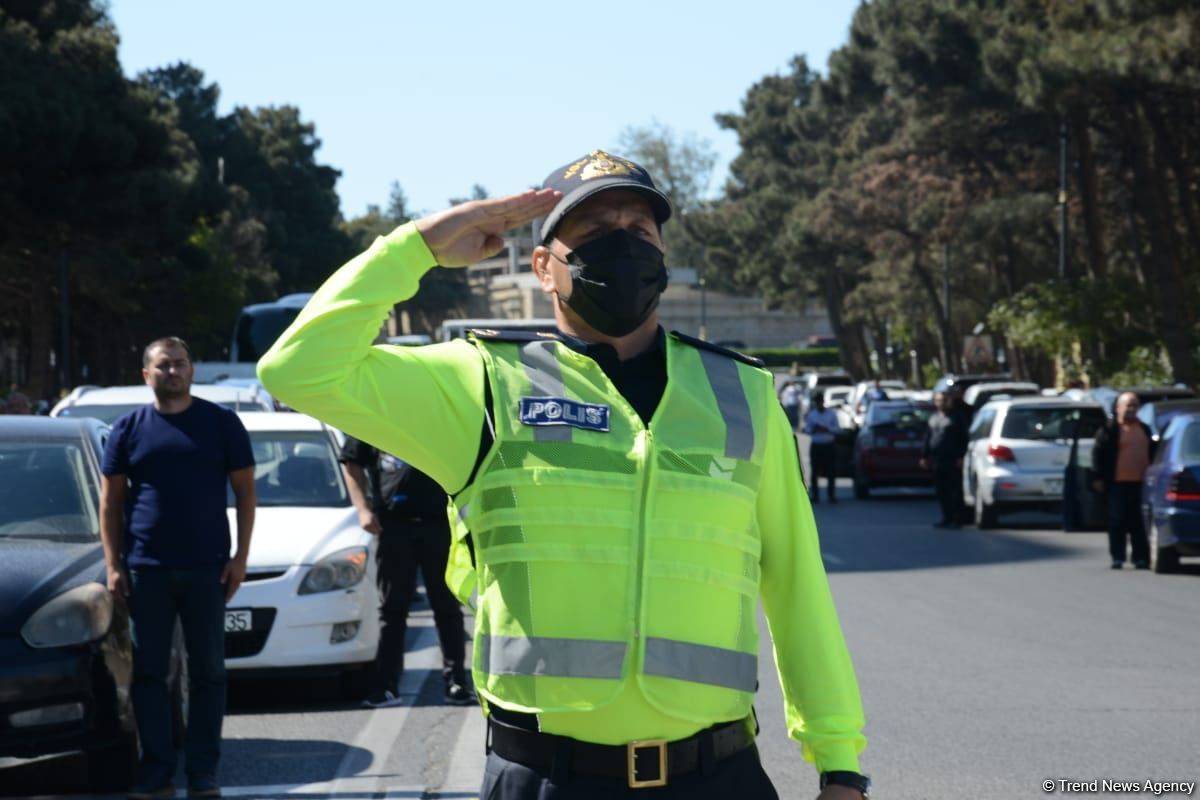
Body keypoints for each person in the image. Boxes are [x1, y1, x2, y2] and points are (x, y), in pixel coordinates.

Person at [258, 151, 868, 800]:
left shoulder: (742, 393)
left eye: (639, 230)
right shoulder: (482, 382)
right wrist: (419, 248)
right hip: (547, 778)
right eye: (597, 231)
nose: (623, 245)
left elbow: (797, 585)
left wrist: (839, 763)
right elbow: (296, 370)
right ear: (544, 267)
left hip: (718, 776)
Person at [100, 337, 256, 799]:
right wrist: (113, 564)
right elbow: (110, 502)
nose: (173, 372)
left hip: (208, 567)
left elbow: (246, 493)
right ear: (146, 374)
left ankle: (203, 772)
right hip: (146, 568)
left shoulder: (221, 424)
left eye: (180, 364)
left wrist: (240, 559)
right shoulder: (127, 429)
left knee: (209, 671)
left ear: (192, 370)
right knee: (150, 674)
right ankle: (157, 772)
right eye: (164, 365)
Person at [339, 435, 473, 707]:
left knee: (447, 607)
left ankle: (457, 682)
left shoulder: (440, 417)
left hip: (439, 525)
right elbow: (351, 461)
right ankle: (387, 686)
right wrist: (362, 509)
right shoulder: (379, 417)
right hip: (393, 525)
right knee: (392, 610)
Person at [1090, 392, 1156, 569]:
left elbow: (1152, 453)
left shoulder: (1144, 429)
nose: (1131, 409)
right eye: (1128, 405)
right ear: (1118, 408)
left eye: (1135, 406)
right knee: (1117, 521)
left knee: (1139, 523)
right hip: (1117, 483)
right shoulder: (1109, 430)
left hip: (1141, 484)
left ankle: (1141, 558)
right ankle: (1118, 557)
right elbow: (1098, 454)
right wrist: (1097, 477)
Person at [920, 391, 967, 528]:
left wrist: (961, 456)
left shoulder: (957, 417)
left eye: (944, 400)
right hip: (937, 459)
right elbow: (928, 438)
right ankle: (946, 518)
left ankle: (958, 519)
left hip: (952, 459)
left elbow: (963, 438)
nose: (941, 403)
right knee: (941, 490)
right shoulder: (933, 418)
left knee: (955, 490)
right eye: (938, 400)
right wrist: (924, 456)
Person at [803, 392, 840, 504]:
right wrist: (814, 429)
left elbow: (837, 429)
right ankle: (815, 496)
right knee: (814, 471)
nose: (819, 404)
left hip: (828, 444)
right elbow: (807, 429)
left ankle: (831, 495)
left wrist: (827, 429)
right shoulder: (812, 415)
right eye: (817, 402)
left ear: (823, 402)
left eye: (820, 401)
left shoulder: (831, 414)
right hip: (817, 445)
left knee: (831, 471)